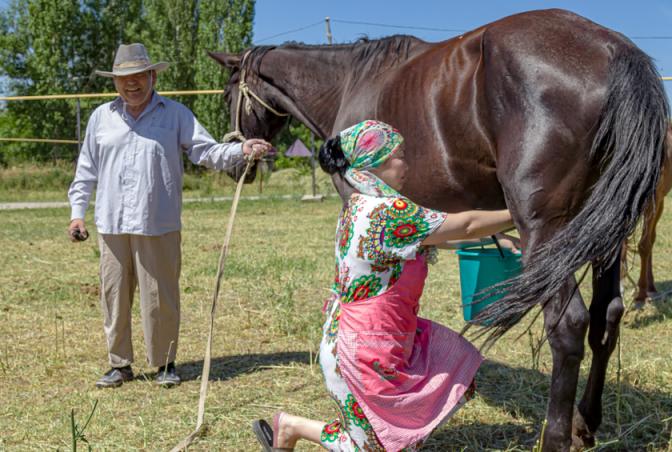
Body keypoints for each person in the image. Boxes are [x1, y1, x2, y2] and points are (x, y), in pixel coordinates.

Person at [252, 120, 518, 451]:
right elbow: (464, 224)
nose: (407, 164)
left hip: (378, 339)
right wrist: (522, 212)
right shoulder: (387, 212)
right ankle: (290, 427)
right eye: (400, 156)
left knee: (399, 425)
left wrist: (495, 238)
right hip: (358, 350)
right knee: (372, 447)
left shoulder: (361, 206)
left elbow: (433, 238)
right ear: (374, 163)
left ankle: (289, 427)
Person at [67, 43, 272, 388]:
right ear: (115, 82)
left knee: (160, 296)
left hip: (158, 222)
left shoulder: (176, 114)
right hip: (112, 222)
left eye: (138, 77)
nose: (131, 84)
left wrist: (241, 149)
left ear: (152, 76)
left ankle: (164, 364)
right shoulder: (101, 118)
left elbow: (205, 151)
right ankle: (120, 365)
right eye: (123, 79)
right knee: (113, 295)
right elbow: (86, 169)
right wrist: (77, 214)